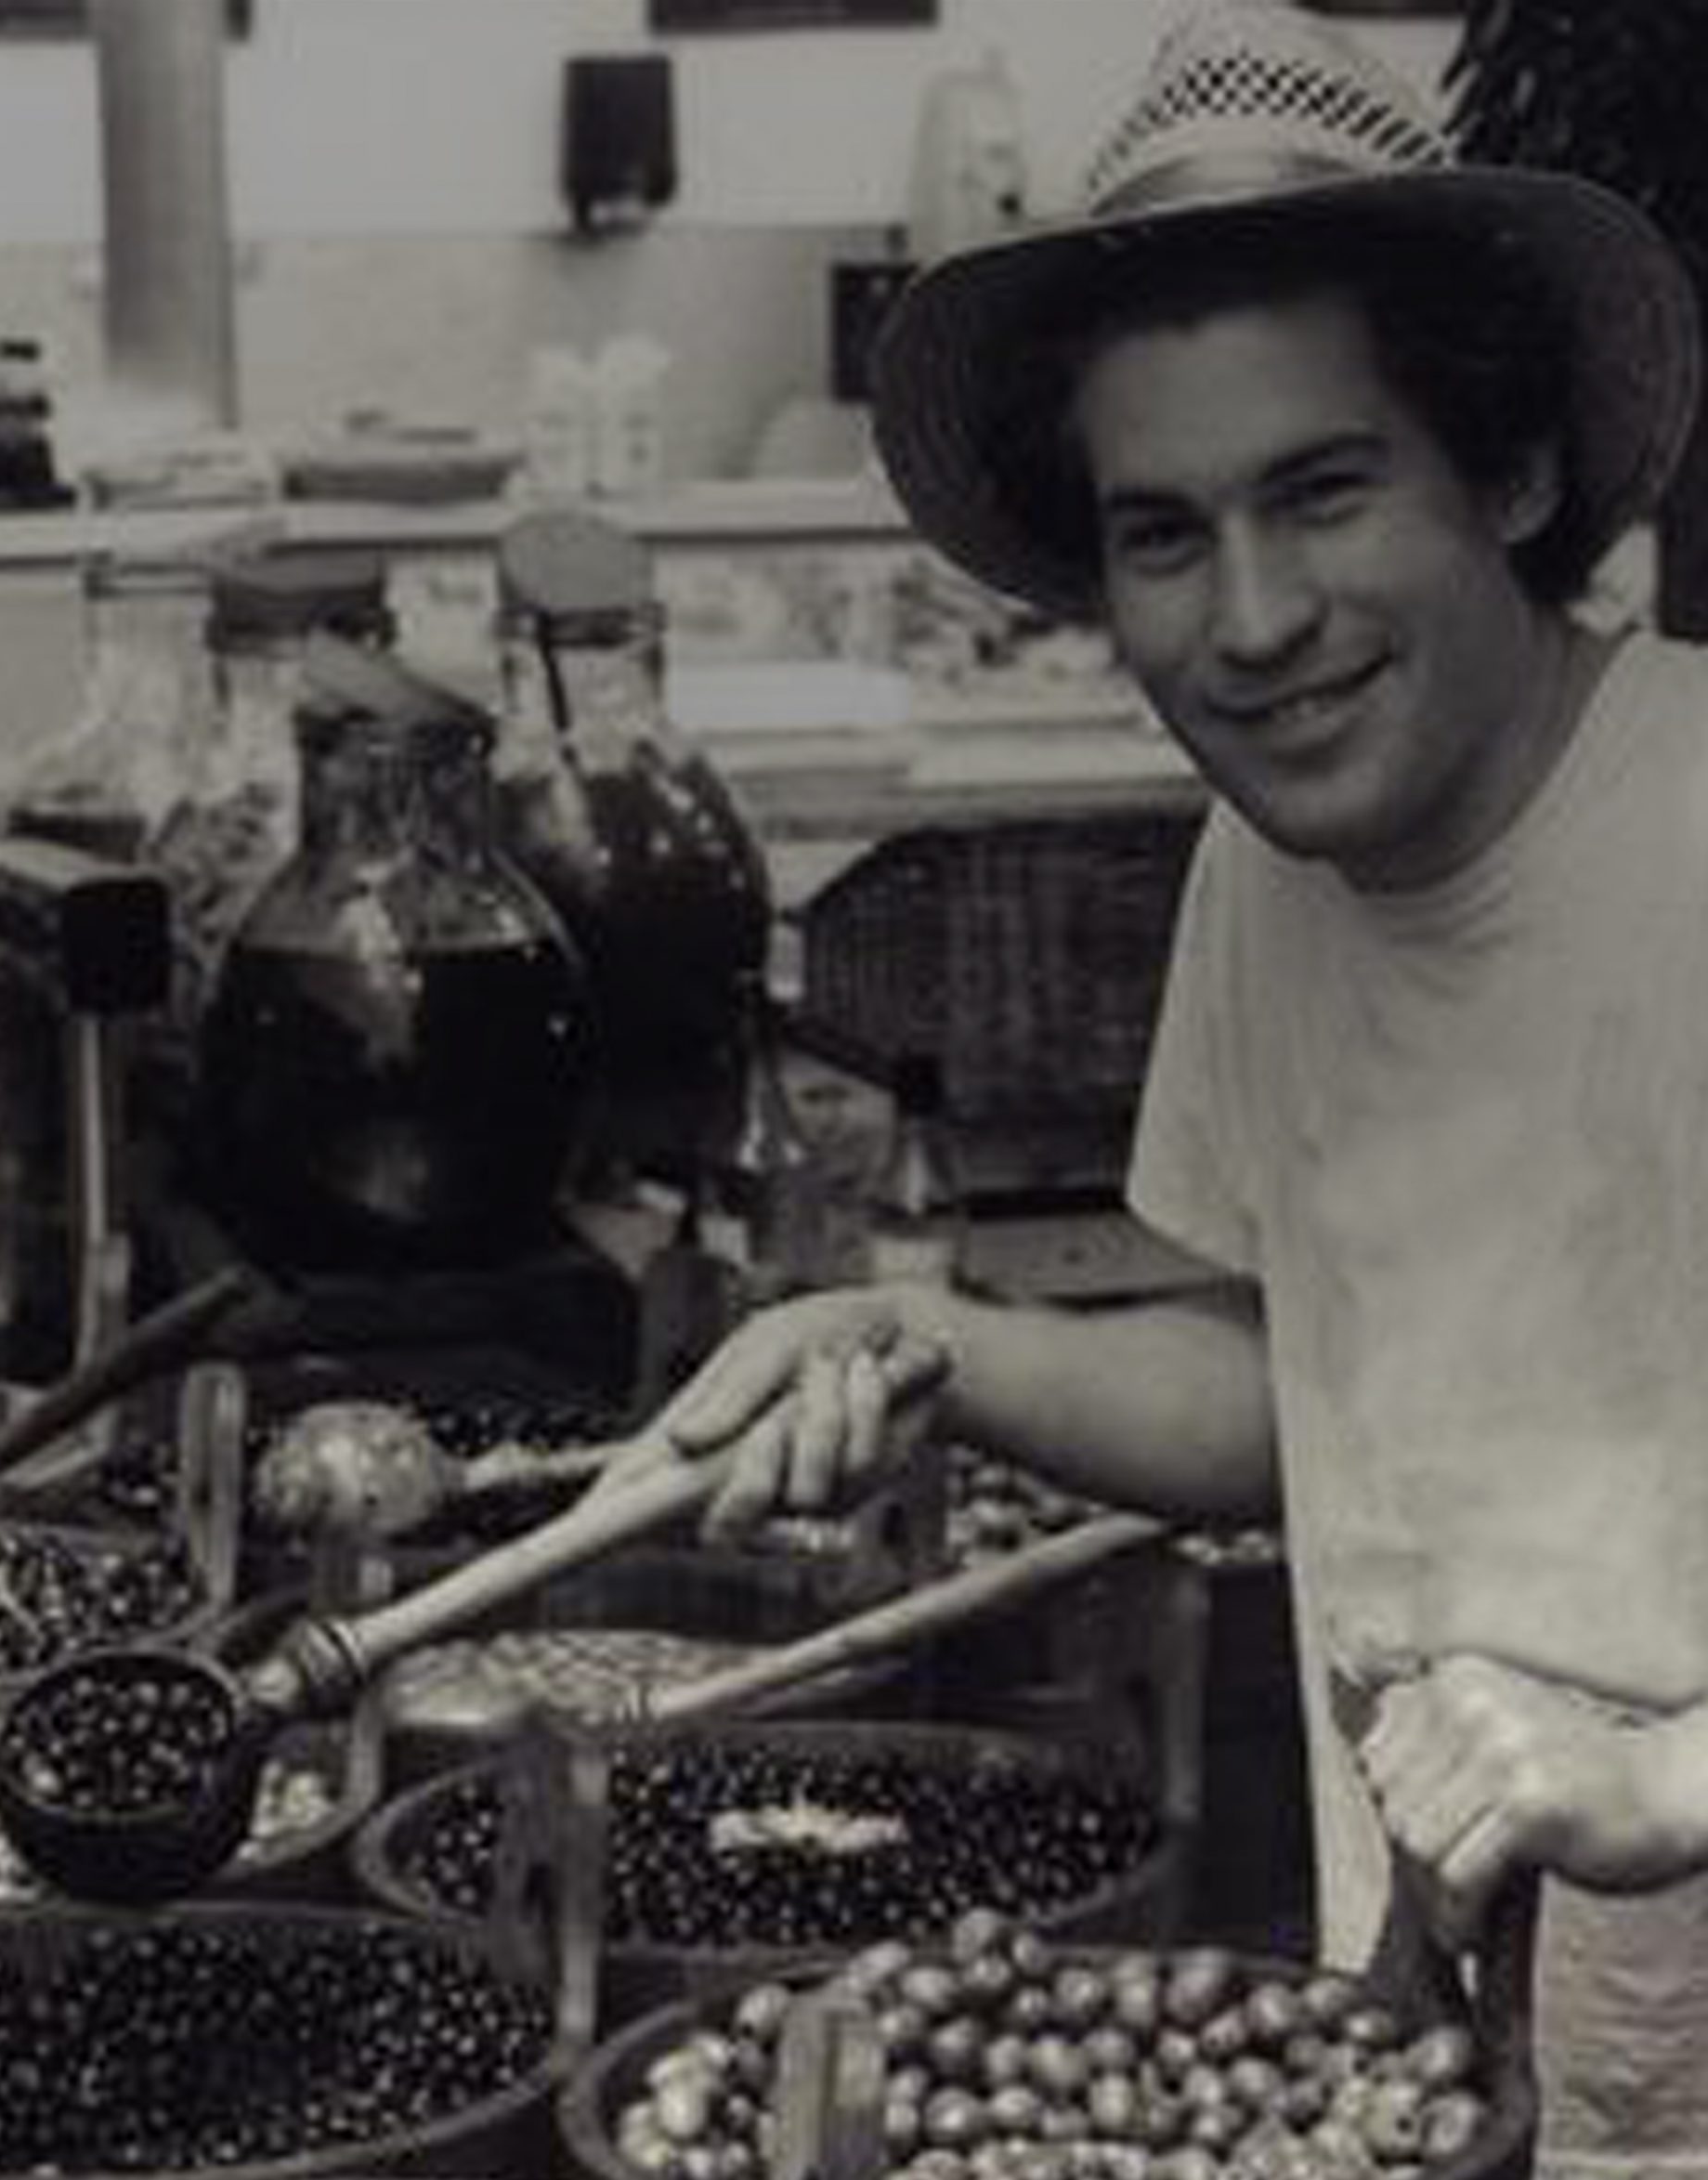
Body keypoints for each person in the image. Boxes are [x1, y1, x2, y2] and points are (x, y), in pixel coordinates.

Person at [647, 1, 1708, 2165]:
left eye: (1321, 491)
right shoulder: (1266, 867)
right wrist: (918, 1337)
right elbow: (1287, 1390)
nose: (1249, 620)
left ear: (1503, 470)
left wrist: (1672, 1782)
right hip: (1448, 2037)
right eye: (1159, 532)